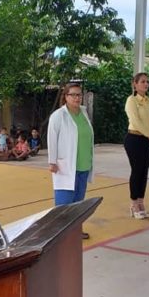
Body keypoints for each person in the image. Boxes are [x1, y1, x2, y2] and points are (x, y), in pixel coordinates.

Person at [47, 83, 94, 239]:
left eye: (79, 95)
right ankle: (59, 233)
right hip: (65, 166)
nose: (76, 98)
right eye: (73, 94)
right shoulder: (58, 115)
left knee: (78, 201)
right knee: (64, 202)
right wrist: (52, 161)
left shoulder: (84, 113)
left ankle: (75, 230)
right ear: (65, 97)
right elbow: (52, 139)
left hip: (83, 164)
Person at [124, 72, 149, 219]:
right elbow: (135, 120)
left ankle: (141, 201)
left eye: (147, 82)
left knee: (144, 171)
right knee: (137, 170)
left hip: (147, 140)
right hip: (134, 138)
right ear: (135, 84)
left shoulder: (148, 101)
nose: (146, 84)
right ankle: (133, 204)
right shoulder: (131, 100)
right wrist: (148, 134)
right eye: (143, 81)